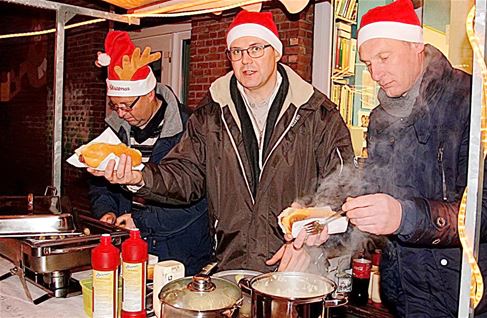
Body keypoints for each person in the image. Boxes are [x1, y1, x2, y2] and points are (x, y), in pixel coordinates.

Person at [88, 11, 354, 272]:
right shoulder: (211, 112)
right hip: (232, 261)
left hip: (294, 263)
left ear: (276, 51)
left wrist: (310, 235)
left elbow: (342, 184)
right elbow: (186, 174)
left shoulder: (316, 113)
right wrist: (140, 177)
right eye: (236, 52)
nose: (245, 60)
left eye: (255, 49)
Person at [339, 0, 487, 316]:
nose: (375, 72)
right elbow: (374, 192)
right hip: (410, 297)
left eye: (384, 57)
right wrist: (331, 224)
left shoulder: (480, 104)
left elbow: (485, 215)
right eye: (367, 63)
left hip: (480, 301)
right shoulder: (380, 118)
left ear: (416, 46)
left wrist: (403, 216)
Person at [89, 31, 213, 276]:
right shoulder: (116, 130)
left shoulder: (190, 128)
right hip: (130, 246)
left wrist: (140, 221)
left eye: (127, 105)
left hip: (181, 252)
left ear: (149, 94)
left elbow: (198, 198)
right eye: (115, 105)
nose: (121, 113)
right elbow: (99, 183)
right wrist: (107, 211)